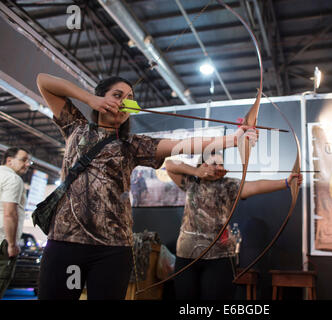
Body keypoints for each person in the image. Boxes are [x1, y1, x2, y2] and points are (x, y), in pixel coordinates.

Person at [35, 73, 257, 300]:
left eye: (129, 98)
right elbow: (43, 81)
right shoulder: (76, 127)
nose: (124, 102)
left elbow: (181, 145)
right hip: (66, 242)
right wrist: (89, 98)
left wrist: (233, 139)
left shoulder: (133, 145)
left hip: (113, 248)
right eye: (117, 95)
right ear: (102, 98)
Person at [165, 152, 303, 300]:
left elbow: (255, 186)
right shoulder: (190, 182)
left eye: (221, 164)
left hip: (219, 257)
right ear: (203, 165)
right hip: (187, 257)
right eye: (215, 163)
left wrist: (286, 182)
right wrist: (196, 171)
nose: (219, 167)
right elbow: (169, 164)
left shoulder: (229, 185)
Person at [0, 147, 32, 298]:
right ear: (9, 160)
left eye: (28, 161)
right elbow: (10, 213)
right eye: (23, 160)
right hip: (2, 241)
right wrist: (12, 244)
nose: (27, 164)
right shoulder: (13, 179)